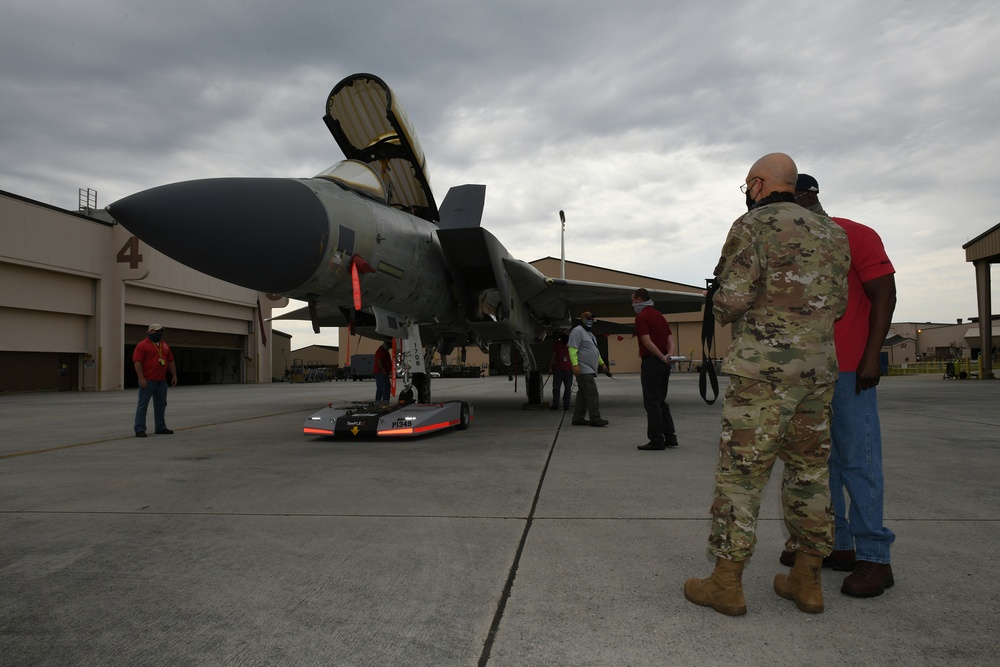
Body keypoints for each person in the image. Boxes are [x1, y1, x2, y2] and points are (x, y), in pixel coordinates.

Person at [683, 153, 850, 616]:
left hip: (762, 376)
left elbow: (733, 299)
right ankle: (807, 581)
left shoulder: (752, 225)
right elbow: (838, 305)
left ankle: (726, 583)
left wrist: (717, 301)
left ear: (757, 183)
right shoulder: (834, 233)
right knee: (811, 473)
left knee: (741, 476)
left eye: (746, 186)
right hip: (817, 376)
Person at [778, 173, 897, 598]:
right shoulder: (787, 243)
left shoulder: (855, 234)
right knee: (819, 464)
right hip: (808, 373)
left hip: (849, 369)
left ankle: (875, 558)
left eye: (787, 198)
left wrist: (871, 357)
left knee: (859, 462)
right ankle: (839, 545)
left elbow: (885, 295)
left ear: (808, 196)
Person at [631, 288, 679, 450]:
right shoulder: (660, 316)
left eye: (633, 300)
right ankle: (670, 436)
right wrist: (668, 357)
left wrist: (659, 356)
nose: (632, 304)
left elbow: (646, 341)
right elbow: (670, 341)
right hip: (664, 363)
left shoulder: (641, 317)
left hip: (652, 362)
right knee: (661, 401)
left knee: (652, 402)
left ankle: (656, 439)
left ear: (638, 299)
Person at [133, 323, 178, 437]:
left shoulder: (165, 346)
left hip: (161, 381)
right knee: (143, 405)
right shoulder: (142, 345)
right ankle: (140, 429)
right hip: (148, 380)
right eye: (157, 331)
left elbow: (171, 361)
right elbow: (137, 362)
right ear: (150, 332)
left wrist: (174, 375)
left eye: (161, 332)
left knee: (161, 404)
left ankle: (160, 427)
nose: (159, 334)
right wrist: (141, 378)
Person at [567, 311, 609, 427]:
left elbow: (595, 351)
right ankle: (595, 418)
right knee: (592, 392)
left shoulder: (590, 335)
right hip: (583, 368)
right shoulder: (577, 331)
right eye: (588, 318)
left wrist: (602, 363)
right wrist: (575, 365)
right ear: (582, 319)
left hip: (590, 369)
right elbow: (572, 349)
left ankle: (578, 418)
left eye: (592, 318)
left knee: (582, 394)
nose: (590, 320)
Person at [549, 331, 573, 410]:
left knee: (568, 388)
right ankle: (556, 404)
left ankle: (566, 404)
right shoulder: (557, 344)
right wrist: (550, 367)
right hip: (558, 369)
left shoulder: (571, 344)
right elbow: (553, 355)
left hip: (568, 370)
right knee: (556, 388)